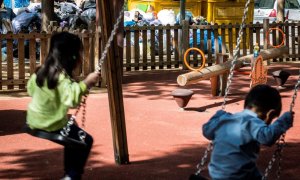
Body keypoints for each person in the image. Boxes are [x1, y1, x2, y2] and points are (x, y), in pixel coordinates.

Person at [26, 32, 99, 180]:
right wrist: (87, 83)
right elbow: (72, 100)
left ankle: (69, 173)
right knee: (86, 140)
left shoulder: (40, 72)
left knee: (72, 134)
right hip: (52, 125)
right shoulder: (61, 78)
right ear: (71, 57)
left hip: (33, 121)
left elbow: (30, 90)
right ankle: (72, 175)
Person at [202, 84, 294, 180]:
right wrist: (284, 120)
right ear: (269, 114)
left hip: (217, 174)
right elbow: (267, 137)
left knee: (255, 172)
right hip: (238, 176)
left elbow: (206, 131)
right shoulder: (252, 123)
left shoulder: (225, 118)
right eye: (272, 119)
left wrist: (218, 116)